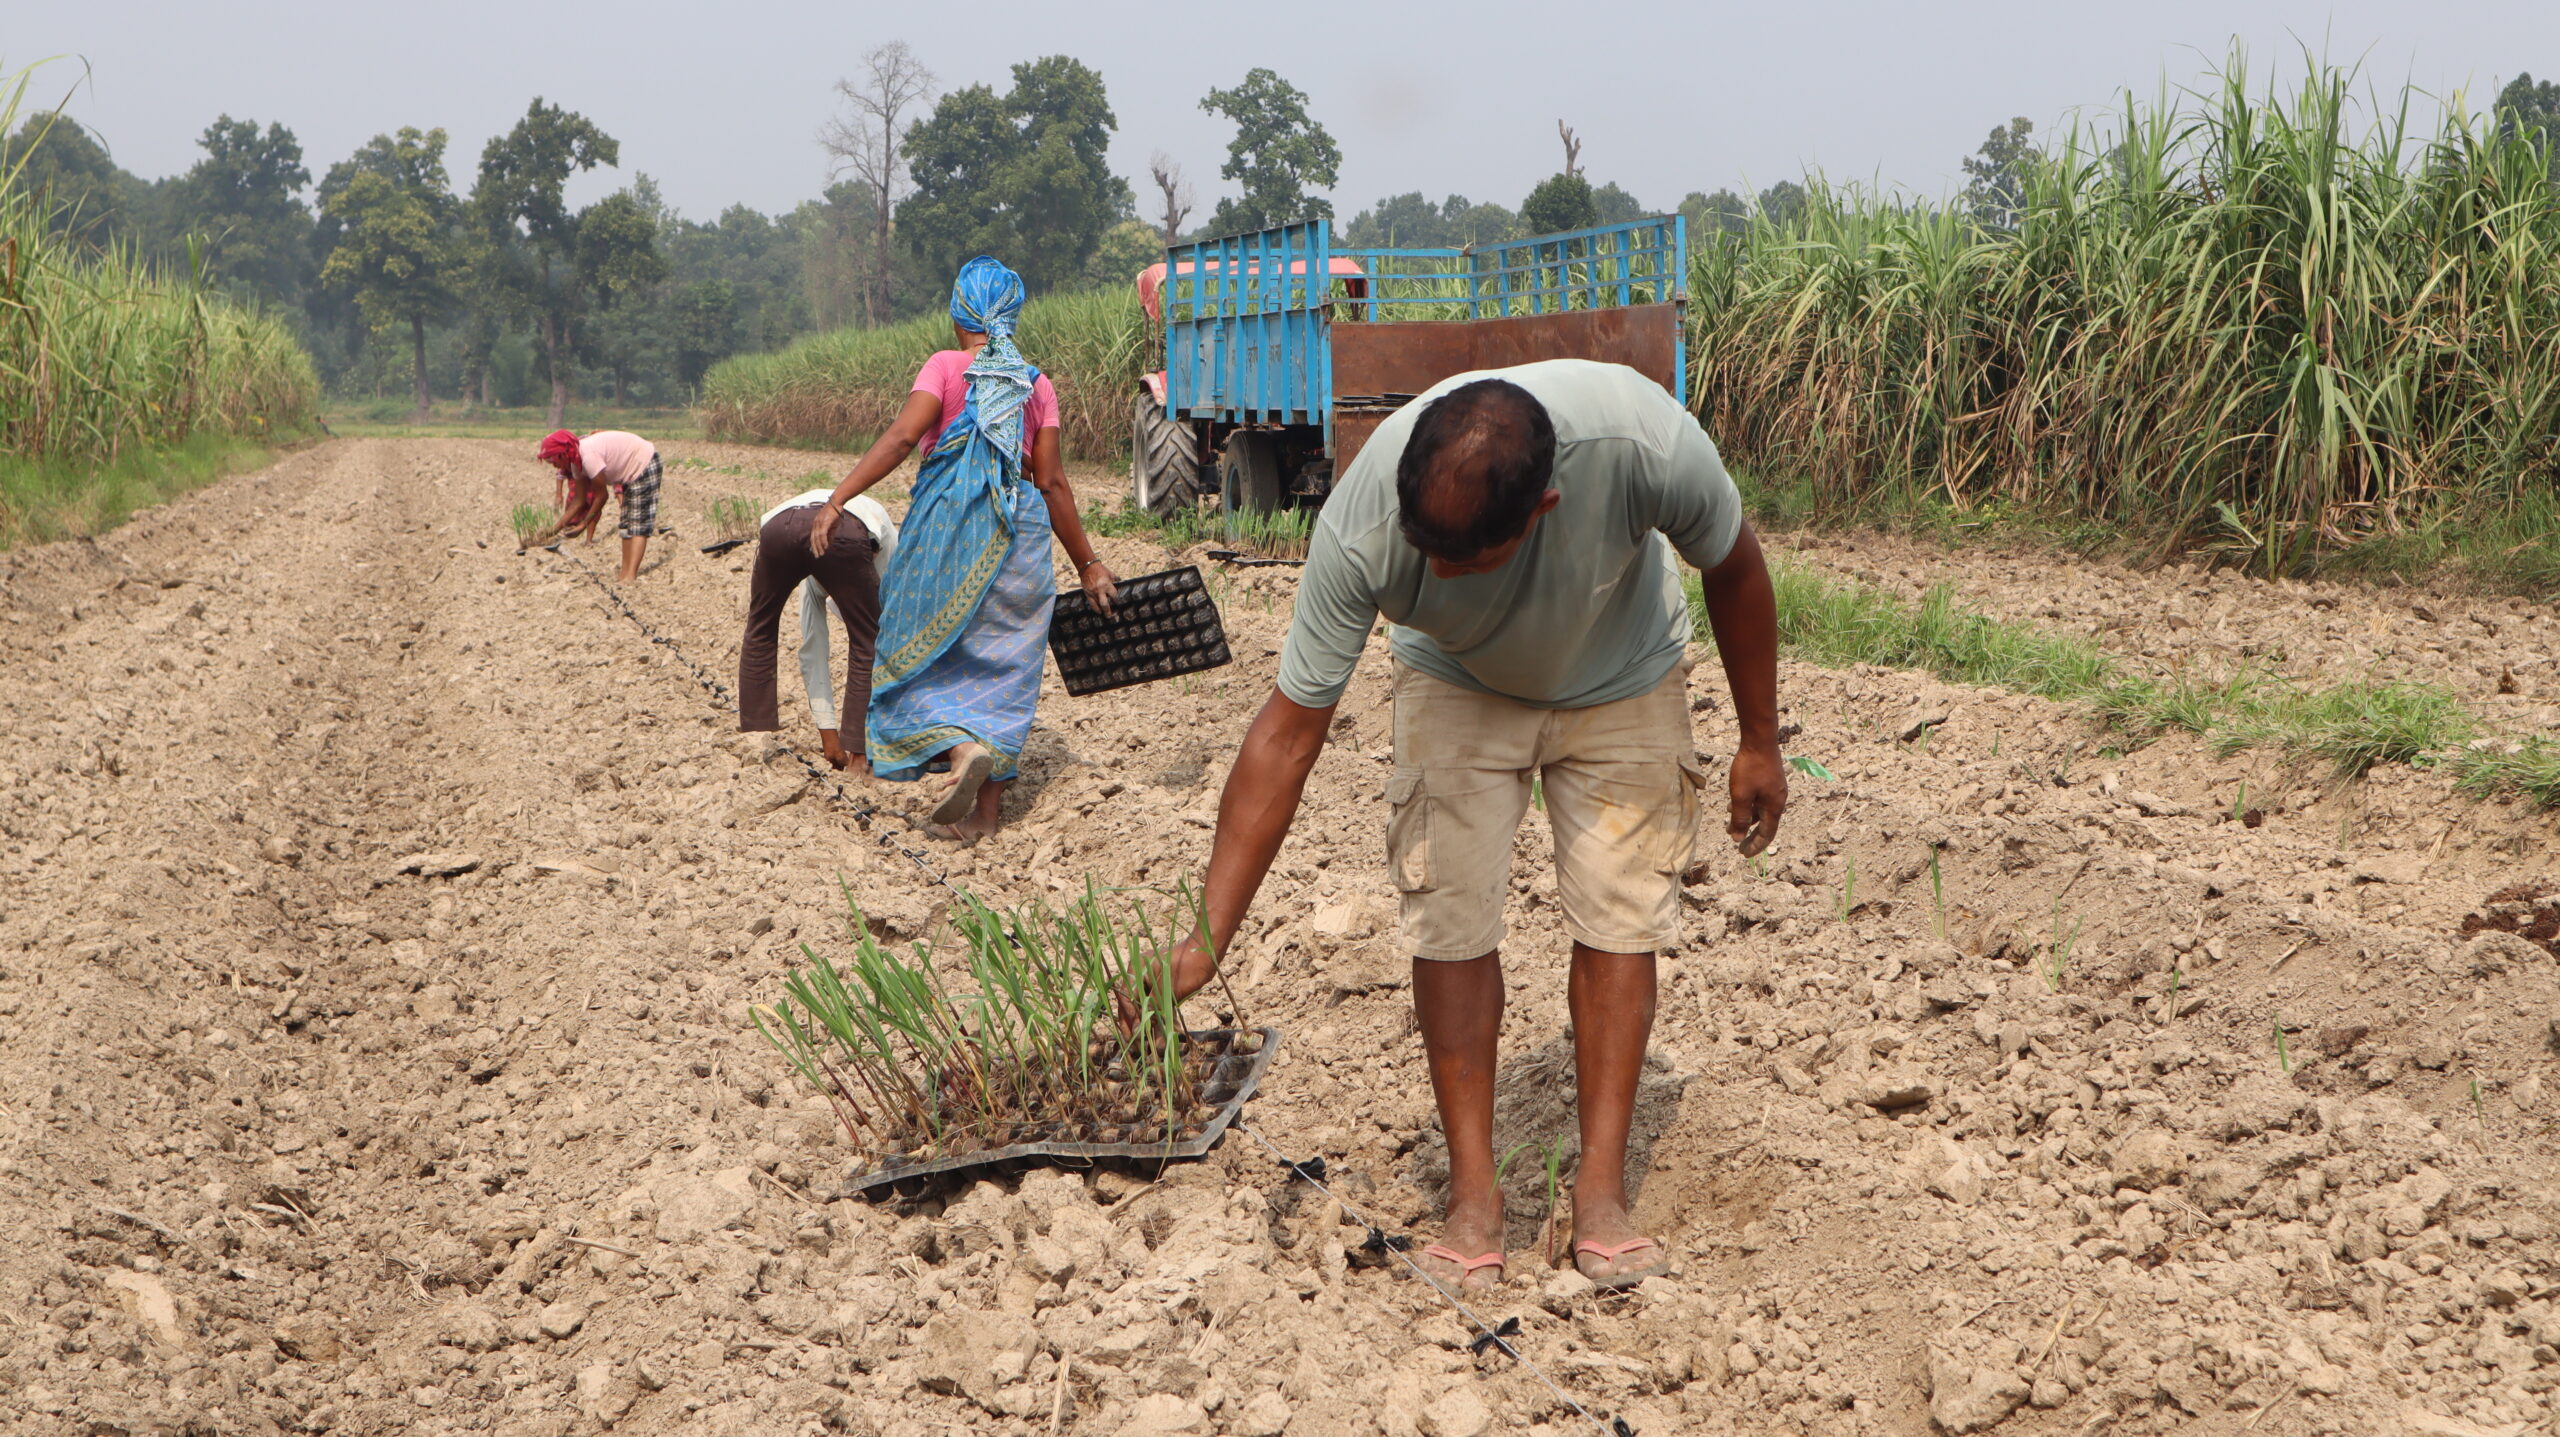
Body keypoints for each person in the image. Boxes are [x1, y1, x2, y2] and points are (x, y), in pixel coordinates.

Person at [1159, 360, 1788, 1293]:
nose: (1436, 570)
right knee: (1448, 908)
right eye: (1428, 548)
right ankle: (1474, 1195)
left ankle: (1603, 1192)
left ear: (1544, 508)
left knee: (1620, 912)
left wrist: (1758, 737)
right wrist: (1203, 943)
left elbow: (1736, 566)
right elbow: (1287, 738)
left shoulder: (1642, 445)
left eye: (1462, 560)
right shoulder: (1366, 522)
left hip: (1621, 671)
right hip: (1456, 682)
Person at [803, 255, 1118, 842]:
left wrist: (838, 498)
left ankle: (959, 748)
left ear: (958, 315)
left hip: (947, 534)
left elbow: (901, 438)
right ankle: (984, 818)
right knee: (1007, 671)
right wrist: (1089, 563)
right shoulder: (1036, 382)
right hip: (1020, 538)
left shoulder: (947, 367)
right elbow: (1050, 481)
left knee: (909, 649)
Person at [738, 487, 899, 772]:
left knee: (760, 628)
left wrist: (829, 736)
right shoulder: (888, 554)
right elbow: (887, 627)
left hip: (779, 528)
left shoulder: (819, 570)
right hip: (844, 531)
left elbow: (812, 646)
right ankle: (860, 757)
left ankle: (755, 739)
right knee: (869, 640)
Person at [538, 429, 663, 581]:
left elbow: (602, 496)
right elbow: (579, 499)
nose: (555, 466)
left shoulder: (588, 456)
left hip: (643, 462)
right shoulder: (575, 463)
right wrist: (554, 529)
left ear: (563, 453)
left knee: (637, 524)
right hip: (628, 472)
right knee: (626, 525)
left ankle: (630, 576)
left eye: (553, 461)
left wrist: (584, 524)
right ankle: (624, 574)